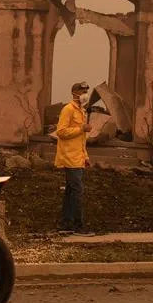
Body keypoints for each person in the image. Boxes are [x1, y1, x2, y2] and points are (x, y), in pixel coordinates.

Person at [55, 81, 93, 235]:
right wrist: (80, 128)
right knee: (77, 190)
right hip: (69, 157)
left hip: (78, 157)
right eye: (82, 91)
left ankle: (66, 224)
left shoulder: (81, 111)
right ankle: (78, 225)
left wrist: (86, 156)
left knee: (71, 191)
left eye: (86, 91)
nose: (84, 94)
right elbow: (61, 132)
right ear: (74, 92)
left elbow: (81, 139)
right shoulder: (68, 110)